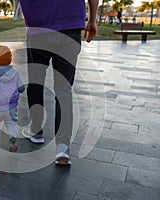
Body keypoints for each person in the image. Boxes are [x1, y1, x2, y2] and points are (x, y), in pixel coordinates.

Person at [20, 0, 98, 165]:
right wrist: (92, 20)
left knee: (35, 84)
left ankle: (36, 131)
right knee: (63, 89)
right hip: (70, 27)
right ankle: (62, 147)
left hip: (38, 28)